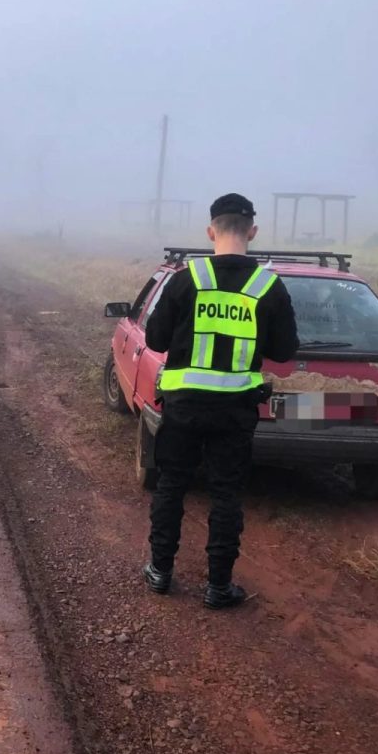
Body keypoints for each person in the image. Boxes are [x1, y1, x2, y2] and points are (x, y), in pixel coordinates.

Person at [142, 193, 299, 609]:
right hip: (234, 411)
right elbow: (285, 350)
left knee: (172, 485)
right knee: (226, 494)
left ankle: (160, 572)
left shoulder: (185, 278)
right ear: (252, 231)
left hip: (182, 406)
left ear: (210, 231)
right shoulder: (268, 286)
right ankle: (218, 587)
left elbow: (155, 339)